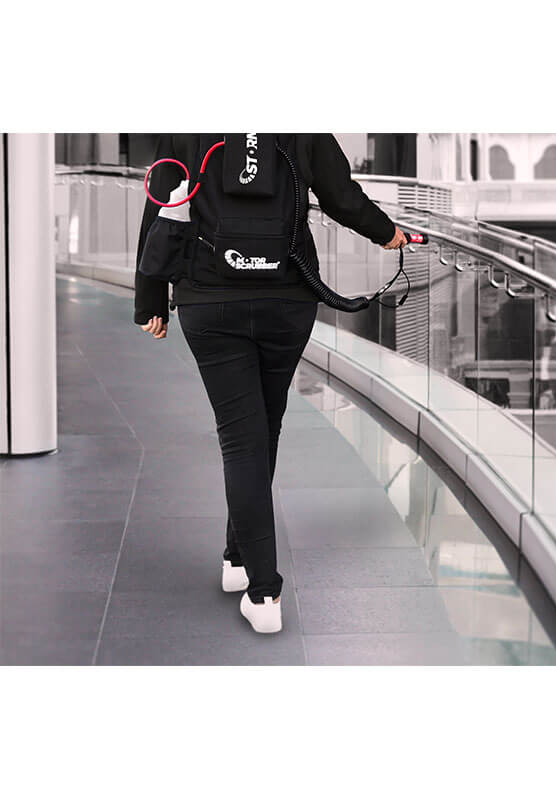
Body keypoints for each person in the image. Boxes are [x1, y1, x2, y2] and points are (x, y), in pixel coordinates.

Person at [134, 133, 407, 634]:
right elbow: (341, 196)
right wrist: (387, 233)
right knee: (263, 426)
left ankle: (260, 589)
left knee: (244, 437)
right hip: (287, 297)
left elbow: (162, 201)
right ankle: (244, 564)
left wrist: (150, 298)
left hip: (209, 299)